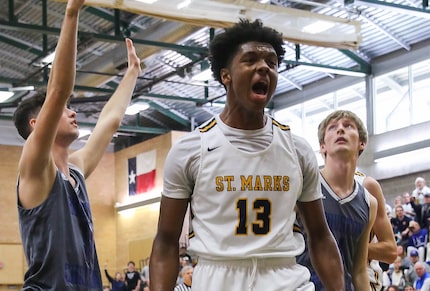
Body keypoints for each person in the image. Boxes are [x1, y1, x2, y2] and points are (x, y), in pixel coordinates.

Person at [149, 19, 345, 291]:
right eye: (251, 59)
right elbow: (166, 241)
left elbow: (321, 236)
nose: (264, 67)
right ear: (225, 75)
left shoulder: (297, 150)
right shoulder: (191, 150)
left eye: (271, 62)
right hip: (217, 278)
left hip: (285, 277)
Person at [13, 0, 142, 288]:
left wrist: (132, 73)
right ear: (37, 125)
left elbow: (110, 122)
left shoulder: (77, 168)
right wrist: (72, 13)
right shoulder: (35, 165)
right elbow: (58, 90)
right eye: (63, 109)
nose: (72, 112)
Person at [297, 110, 378, 290]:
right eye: (332, 128)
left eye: (348, 126)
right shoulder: (302, 185)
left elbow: (359, 270)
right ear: (322, 146)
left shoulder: (369, 202)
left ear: (362, 143)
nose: (340, 129)